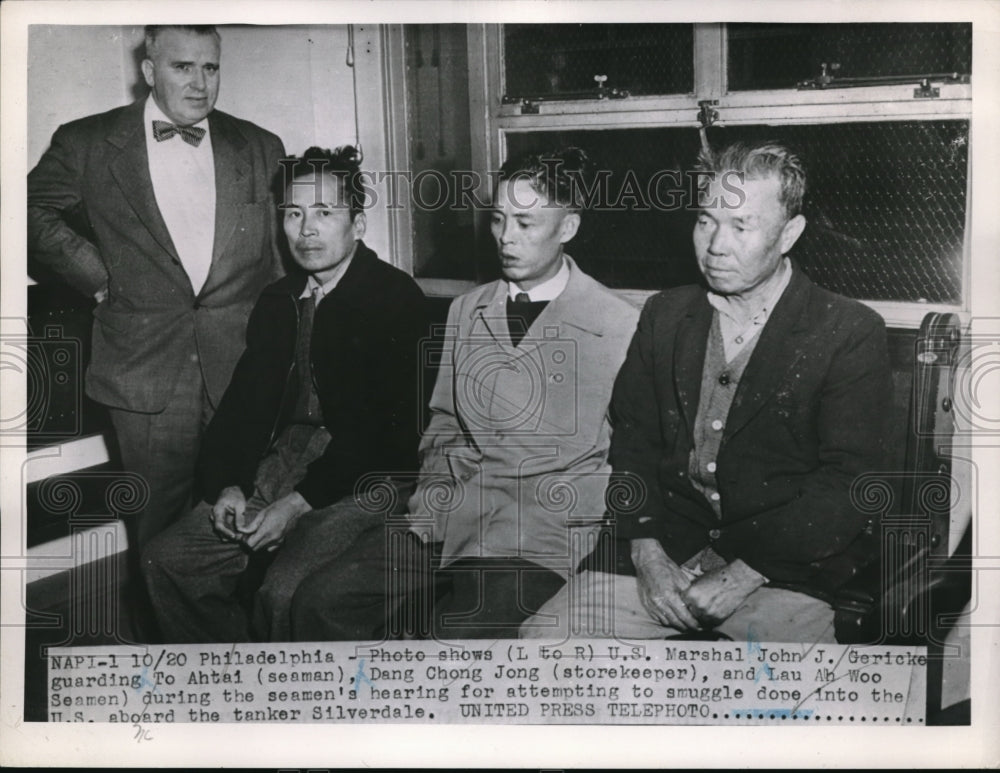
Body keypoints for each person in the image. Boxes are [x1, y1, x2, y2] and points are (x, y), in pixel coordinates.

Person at [522, 141, 893, 642]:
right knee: (542, 645)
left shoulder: (848, 330)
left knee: (774, 700)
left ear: (790, 234)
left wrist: (745, 573)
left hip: (786, 570)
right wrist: (646, 553)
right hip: (663, 552)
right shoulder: (665, 316)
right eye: (705, 221)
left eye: (741, 226)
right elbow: (634, 445)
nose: (716, 245)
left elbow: (851, 480)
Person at [289, 147, 641, 641]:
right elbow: (444, 424)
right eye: (498, 220)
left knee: (449, 639)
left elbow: (632, 454)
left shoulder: (621, 325)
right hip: (455, 513)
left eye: (525, 222)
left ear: (568, 227)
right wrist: (432, 498)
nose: (506, 238)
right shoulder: (467, 310)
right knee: (321, 602)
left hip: (542, 535)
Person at [141, 146, 428, 642]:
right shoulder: (279, 301)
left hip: (365, 477)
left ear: (358, 224)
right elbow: (241, 407)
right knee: (167, 562)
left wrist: (296, 504)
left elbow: (387, 437)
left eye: (324, 212)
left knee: (285, 595)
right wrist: (227, 484)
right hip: (281, 464)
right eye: (293, 213)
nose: (306, 229)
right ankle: (232, 689)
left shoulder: (394, 299)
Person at [27, 25, 287, 551]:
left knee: (248, 522)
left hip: (241, 365)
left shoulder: (261, 146)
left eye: (210, 68)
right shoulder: (86, 144)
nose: (200, 83)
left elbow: (281, 262)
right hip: (144, 372)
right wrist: (96, 276)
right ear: (148, 72)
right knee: (161, 531)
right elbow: (24, 213)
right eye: (182, 67)